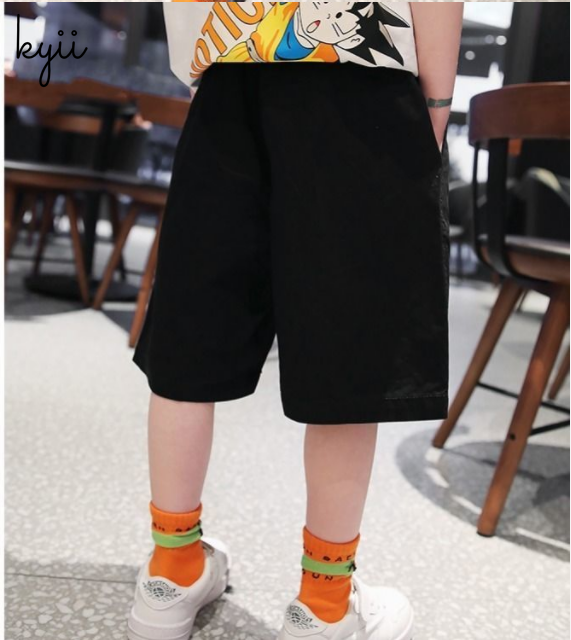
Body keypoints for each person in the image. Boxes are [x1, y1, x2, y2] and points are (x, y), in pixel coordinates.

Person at [127, 2, 463, 639]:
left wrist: (206, 63)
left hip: (231, 65)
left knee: (192, 332)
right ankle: (324, 603)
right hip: (362, 78)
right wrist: (436, 104)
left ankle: (171, 567)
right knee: (348, 349)